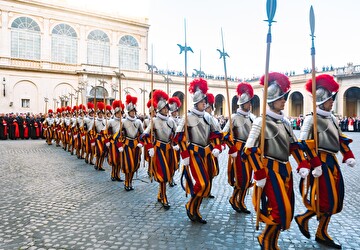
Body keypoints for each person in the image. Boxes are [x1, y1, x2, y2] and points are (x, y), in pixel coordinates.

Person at [243, 72, 309, 249]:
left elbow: (294, 146)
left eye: (284, 97)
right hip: (270, 170)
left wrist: (302, 163)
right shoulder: (260, 122)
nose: (284, 101)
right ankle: (265, 238)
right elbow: (248, 150)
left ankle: (271, 242)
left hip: (285, 169)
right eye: (281, 98)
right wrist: (259, 172)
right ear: (272, 100)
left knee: (286, 208)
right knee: (280, 209)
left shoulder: (286, 123)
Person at [295, 74, 356, 249]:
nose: (332, 102)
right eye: (330, 99)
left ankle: (321, 230)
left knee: (336, 198)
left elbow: (340, 138)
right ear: (322, 101)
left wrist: (348, 154)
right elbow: (303, 143)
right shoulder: (310, 119)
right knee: (326, 199)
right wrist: (312, 163)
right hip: (319, 164)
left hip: (332, 162)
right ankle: (304, 218)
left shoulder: (332, 119)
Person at [176, 78, 223, 224]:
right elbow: (179, 137)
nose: (205, 103)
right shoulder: (187, 117)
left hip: (207, 154)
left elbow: (216, 135)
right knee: (201, 183)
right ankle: (190, 205)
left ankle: (195, 209)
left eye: (205, 101)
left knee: (207, 185)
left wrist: (217, 147)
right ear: (196, 102)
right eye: (203, 101)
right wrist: (184, 155)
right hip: (194, 154)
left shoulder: (209, 117)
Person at [142, 90, 178, 209]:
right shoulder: (154, 121)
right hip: (158, 150)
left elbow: (177, 134)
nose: (166, 110)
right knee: (163, 175)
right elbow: (144, 135)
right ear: (159, 109)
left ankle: (159, 194)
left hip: (169, 150)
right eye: (164, 108)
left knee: (169, 173)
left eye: (167, 108)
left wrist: (176, 144)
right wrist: (149, 147)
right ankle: (164, 196)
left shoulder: (171, 121)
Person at [222, 82, 255, 214]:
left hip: (249, 150)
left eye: (250, 102)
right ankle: (233, 198)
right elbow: (224, 134)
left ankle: (241, 201)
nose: (250, 105)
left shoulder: (252, 118)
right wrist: (232, 148)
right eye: (248, 103)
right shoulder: (234, 118)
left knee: (248, 179)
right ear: (242, 104)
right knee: (241, 178)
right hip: (238, 149)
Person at [119, 95, 144, 191]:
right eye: (132, 111)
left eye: (134, 111)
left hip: (136, 145)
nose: (133, 113)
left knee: (134, 165)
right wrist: (120, 145)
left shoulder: (138, 122)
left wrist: (141, 142)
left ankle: (130, 181)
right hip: (127, 144)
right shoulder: (124, 121)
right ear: (128, 112)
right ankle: (126, 181)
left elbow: (142, 134)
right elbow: (118, 135)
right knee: (127, 164)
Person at [204, 92, 221, 199]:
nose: (209, 109)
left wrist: (219, 146)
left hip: (211, 149)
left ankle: (208, 190)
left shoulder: (213, 119)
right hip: (203, 148)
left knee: (211, 171)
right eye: (208, 107)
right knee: (203, 171)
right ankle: (205, 190)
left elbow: (218, 133)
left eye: (210, 107)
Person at [107, 100, 125, 182]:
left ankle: (118, 175)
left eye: (120, 113)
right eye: (118, 113)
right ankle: (113, 174)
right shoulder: (110, 122)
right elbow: (107, 132)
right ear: (115, 113)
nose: (119, 114)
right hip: (114, 143)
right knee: (114, 160)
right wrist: (108, 140)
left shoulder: (124, 121)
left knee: (120, 160)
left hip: (121, 143)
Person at [168, 96, 182, 187]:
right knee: (171, 162)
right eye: (174, 111)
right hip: (171, 143)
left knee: (176, 162)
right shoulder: (169, 120)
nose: (175, 112)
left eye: (176, 111)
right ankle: (170, 178)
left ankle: (172, 176)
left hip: (178, 144)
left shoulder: (180, 120)